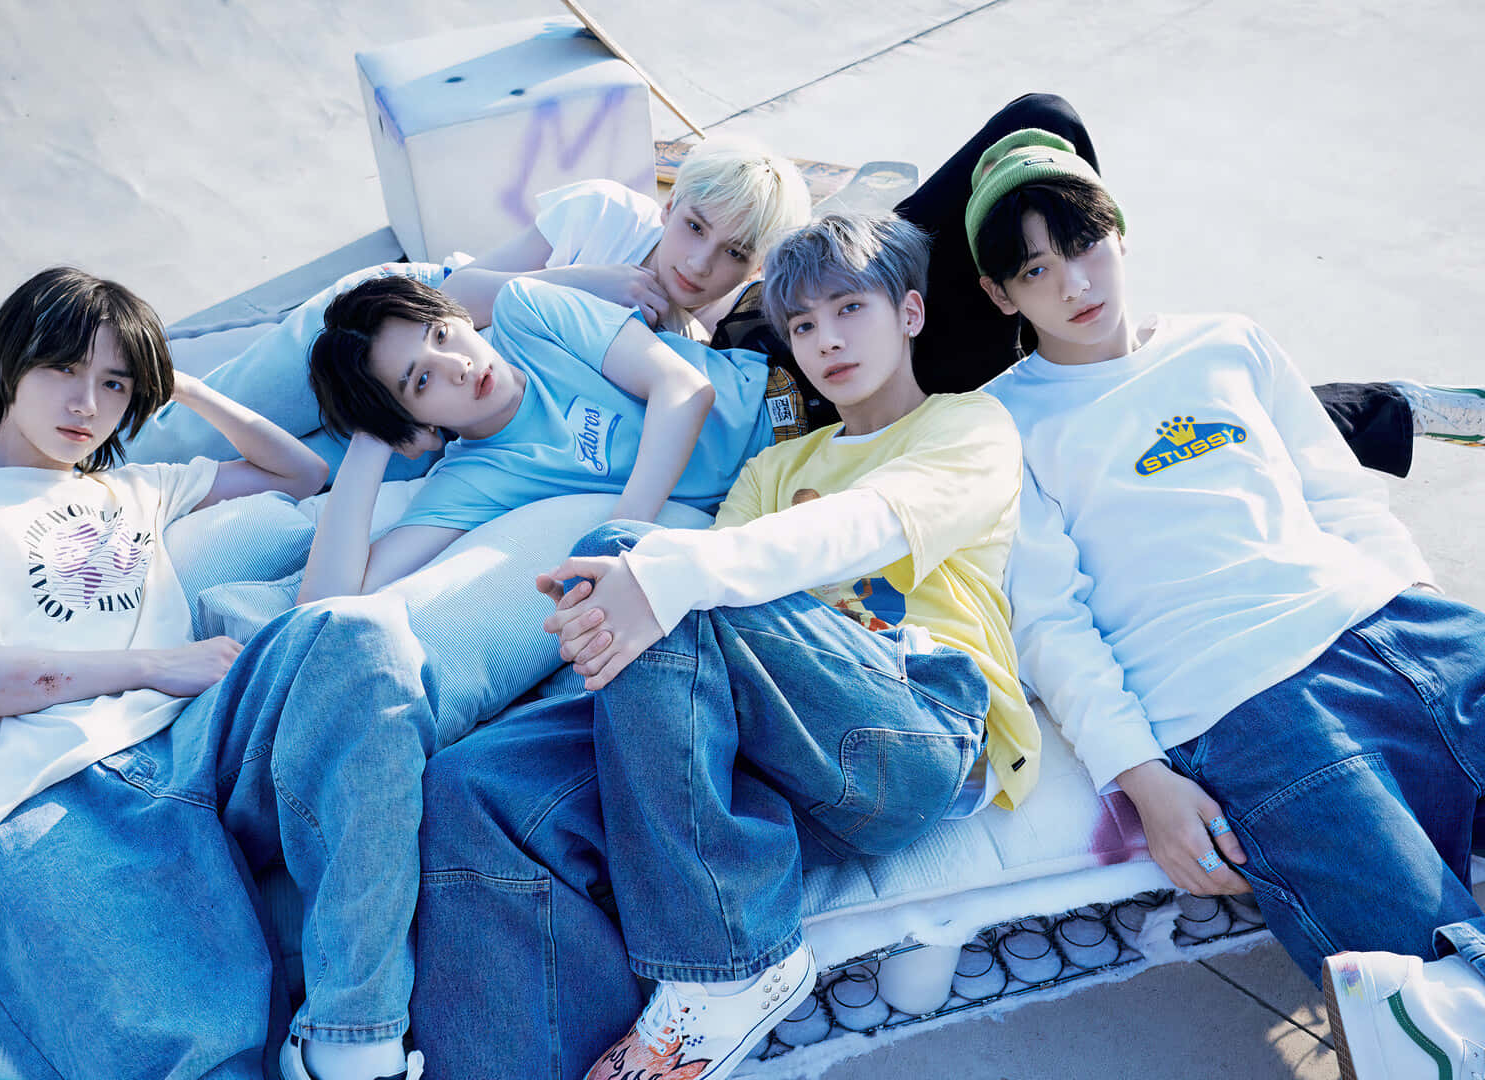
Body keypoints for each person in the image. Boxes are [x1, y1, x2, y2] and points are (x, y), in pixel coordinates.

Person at [966, 130, 1485, 1080]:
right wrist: (1144, 780)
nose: (1075, 283)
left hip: (1420, 645)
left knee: (1431, 1013)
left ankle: (1482, 993)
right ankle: (1477, 997)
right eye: (1035, 269)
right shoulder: (1004, 421)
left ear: (1120, 232)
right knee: (1428, 1046)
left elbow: (1340, 495)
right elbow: (1049, 623)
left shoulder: (1229, 340)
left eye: (1085, 243)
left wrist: (1424, 600)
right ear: (1000, 294)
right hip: (1259, 719)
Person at [411, 211, 1038, 1080]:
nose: (826, 340)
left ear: (909, 313)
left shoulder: (967, 427)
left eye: (850, 308)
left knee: (644, 559)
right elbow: (688, 638)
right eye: (804, 325)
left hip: (913, 729)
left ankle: (731, 962)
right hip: (765, 760)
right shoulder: (773, 469)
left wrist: (654, 570)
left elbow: (864, 525)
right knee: (476, 785)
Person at [0, 267, 448, 1080]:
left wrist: (182, 384)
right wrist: (155, 666)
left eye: (114, 383)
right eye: (63, 369)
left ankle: (351, 1039)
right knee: (199, 1061)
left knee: (359, 636)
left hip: (194, 747)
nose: (86, 405)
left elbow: (300, 474)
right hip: (33, 797)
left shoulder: (137, 488)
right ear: (8, 365)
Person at [708, 92, 1485, 478]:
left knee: (1044, 121)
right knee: (1182, 439)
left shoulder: (699, 323)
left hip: (855, 326)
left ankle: (1066, 309)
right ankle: (1395, 408)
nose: (702, 256)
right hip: (904, 424)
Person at [0, 141, 812, 472]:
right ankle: (7, 430)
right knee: (207, 420)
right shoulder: (605, 217)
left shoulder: (691, 340)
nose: (699, 261)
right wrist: (591, 285)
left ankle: (71, 496)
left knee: (279, 474)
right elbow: (449, 295)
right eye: (695, 226)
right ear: (672, 204)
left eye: (736, 253)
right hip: (381, 323)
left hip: (436, 415)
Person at [296, 273, 777, 597]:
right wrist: (375, 435)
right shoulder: (472, 479)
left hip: (784, 404)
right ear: (413, 423)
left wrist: (614, 542)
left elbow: (685, 389)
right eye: (421, 381)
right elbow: (329, 601)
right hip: (768, 498)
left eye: (440, 335)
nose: (457, 365)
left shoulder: (528, 312)